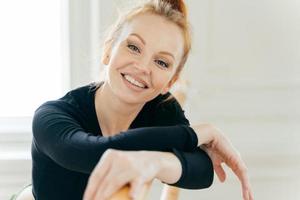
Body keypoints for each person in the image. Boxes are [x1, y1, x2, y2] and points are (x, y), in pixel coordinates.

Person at [31, 0, 253, 200]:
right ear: (108, 50)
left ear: (170, 82)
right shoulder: (52, 116)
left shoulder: (162, 110)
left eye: (161, 62)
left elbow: (201, 171)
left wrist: (155, 162)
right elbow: (95, 154)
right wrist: (201, 133)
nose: (142, 68)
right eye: (134, 47)